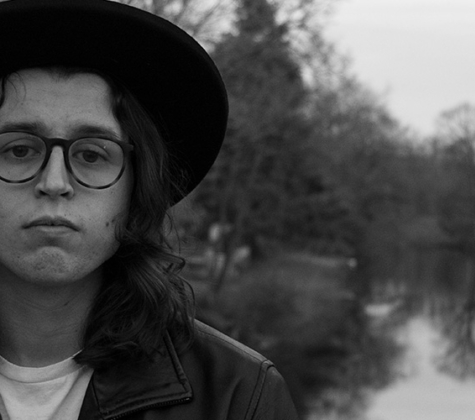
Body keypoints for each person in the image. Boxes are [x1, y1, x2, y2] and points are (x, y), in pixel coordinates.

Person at [0, 0, 299, 419]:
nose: (54, 182)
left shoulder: (237, 397)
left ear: (137, 188)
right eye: (19, 150)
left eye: (91, 155)